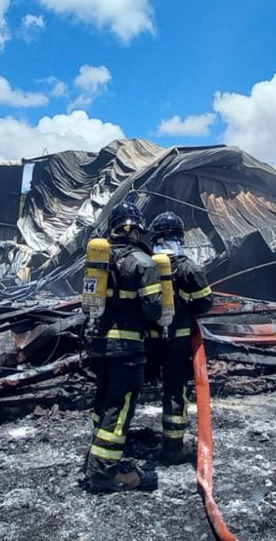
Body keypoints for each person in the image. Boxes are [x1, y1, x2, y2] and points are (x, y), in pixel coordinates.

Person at [84, 201, 163, 492]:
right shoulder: (143, 263)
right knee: (119, 409)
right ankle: (105, 474)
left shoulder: (99, 260)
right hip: (127, 350)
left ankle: (96, 458)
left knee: (103, 402)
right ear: (138, 228)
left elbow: (90, 306)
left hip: (100, 346)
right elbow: (154, 312)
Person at [146, 211, 213, 464]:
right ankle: (173, 446)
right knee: (175, 391)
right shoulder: (186, 266)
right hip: (177, 341)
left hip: (148, 342)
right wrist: (186, 307)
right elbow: (205, 301)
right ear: (178, 237)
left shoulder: (146, 264)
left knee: (128, 387)